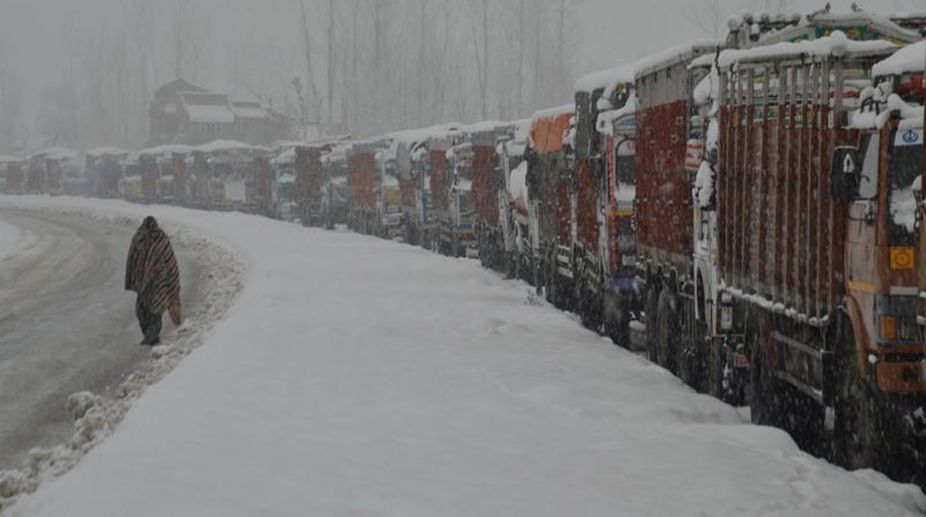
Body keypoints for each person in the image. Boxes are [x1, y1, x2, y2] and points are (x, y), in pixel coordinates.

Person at [125, 216, 181, 345]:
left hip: (158, 283)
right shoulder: (139, 239)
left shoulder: (161, 239)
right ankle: (149, 335)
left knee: (155, 310)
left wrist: (170, 281)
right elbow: (133, 259)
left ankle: (153, 337)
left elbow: (170, 261)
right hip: (144, 284)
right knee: (141, 311)